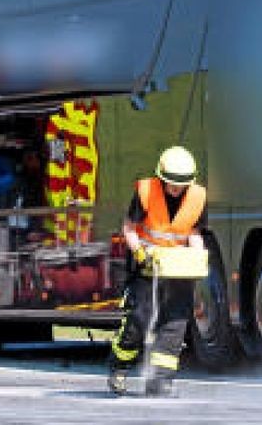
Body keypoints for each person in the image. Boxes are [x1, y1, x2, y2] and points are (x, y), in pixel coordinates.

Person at [108, 146, 206, 397]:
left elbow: (194, 233)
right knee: (140, 319)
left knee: (175, 323)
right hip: (147, 267)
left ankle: (160, 380)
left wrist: (197, 255)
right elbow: (129, 228)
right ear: (162, 178)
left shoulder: (197, 197)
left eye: (181, 185)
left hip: (177, 270)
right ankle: (119, 367)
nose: (176, 189)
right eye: (171, 184)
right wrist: (140, 253)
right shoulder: (146, 192)